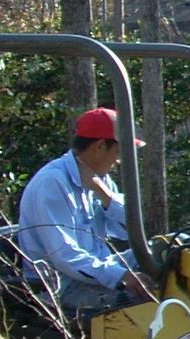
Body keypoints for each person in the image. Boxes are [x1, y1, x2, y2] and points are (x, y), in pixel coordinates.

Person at [15, 107, 153, 318]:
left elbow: (130, 230)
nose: (118, 162)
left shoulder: (100, 180)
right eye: (117, 153)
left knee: (168, 253)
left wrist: (104, 194)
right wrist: (123, 276)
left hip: (96, 271)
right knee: (144, 299)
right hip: (64, 286)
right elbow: (66, 257)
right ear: (99, 146)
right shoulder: (52, 184)